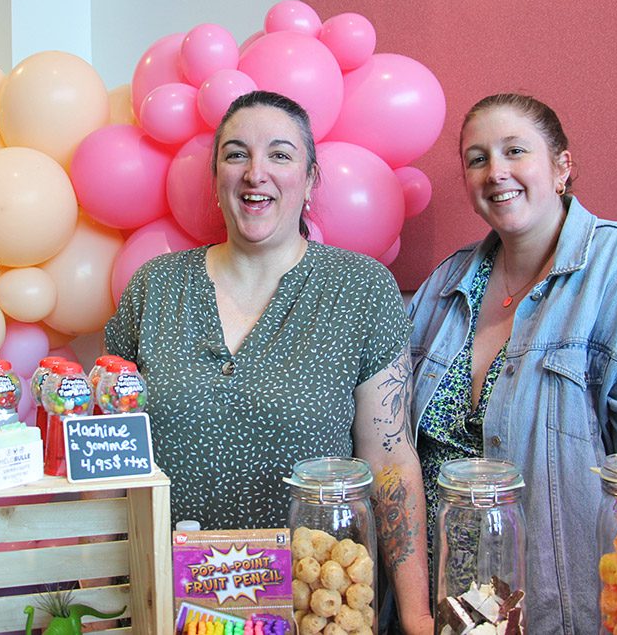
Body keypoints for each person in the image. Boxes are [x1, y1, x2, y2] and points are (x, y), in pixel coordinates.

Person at [105, 90, 433, 633]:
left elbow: (391, 460)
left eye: (280, 155)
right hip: (168, 603)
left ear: (309, 181)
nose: (256, 172)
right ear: (216, 180)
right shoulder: (155, 289)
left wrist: (418, 616)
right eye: (236, 154)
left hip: (317, 605)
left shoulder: (361, 290)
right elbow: (109, 448)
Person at [407, 93, 617, 633]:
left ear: (562, 167)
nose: (496, 172)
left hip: (562, 609)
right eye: (477, 158)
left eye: (515, 151)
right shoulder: (444, 286)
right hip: (446, 608)